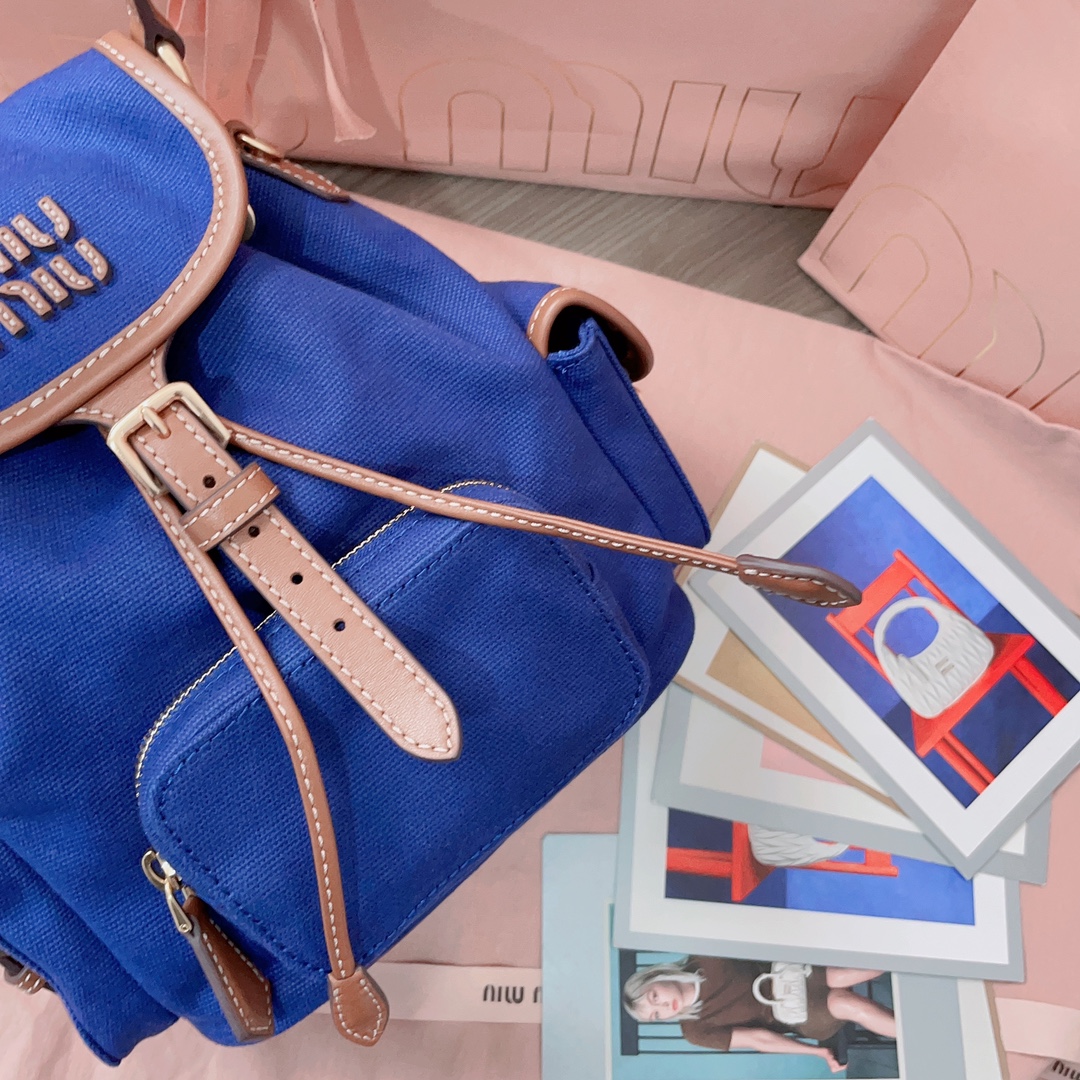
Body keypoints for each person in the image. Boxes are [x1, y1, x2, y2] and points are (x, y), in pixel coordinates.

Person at [622, 956, 897, 1074]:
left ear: (655, 977)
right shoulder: (695, 1031)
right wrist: (817, 1052)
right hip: (795, 1013)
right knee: (843, 1001)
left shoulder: (704, 958)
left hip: (792, 973)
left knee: (839, 976)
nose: (664, 1008)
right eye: (656, 1015)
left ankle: (908, 958)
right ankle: (916, 1036)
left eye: (654, 997)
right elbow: (759, 1039)